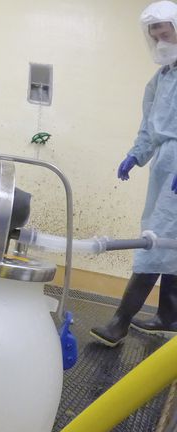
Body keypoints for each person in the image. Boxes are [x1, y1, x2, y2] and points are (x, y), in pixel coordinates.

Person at [90, 1, 177, 347]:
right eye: (152, 30)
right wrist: (135, 155)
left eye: (163, 28)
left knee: (155, 239)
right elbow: (148, 127)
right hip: (164, 166)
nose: (157, 35)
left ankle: (119, 322)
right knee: (170, 239)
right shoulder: (161, 78)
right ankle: (169, 316)